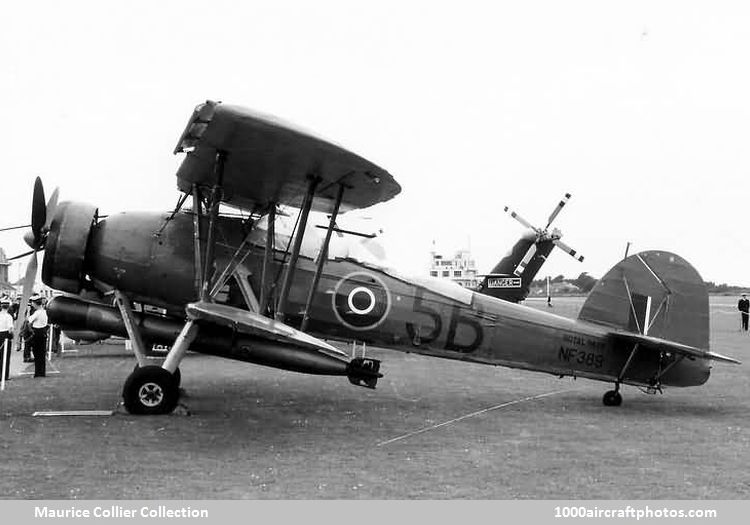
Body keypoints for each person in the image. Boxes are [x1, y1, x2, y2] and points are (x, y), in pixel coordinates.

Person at [27, 295, 48, 378]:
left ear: (36, 304)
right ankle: (42, 372)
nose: (32, 305)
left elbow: (28, 321)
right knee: (42, 353)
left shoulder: (37, 312)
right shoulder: (44, 311)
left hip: (37, 332)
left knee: (37, 353)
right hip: (43, 331)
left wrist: (31, 330)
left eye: (32, 303)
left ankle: (37, 373)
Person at [0, 297, 13, 381]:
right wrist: (11, 336)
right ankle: (4, 375)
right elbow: (10, 329)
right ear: (8, 307)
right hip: (5, 335)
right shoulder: (8, 316)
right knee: (5, 356)